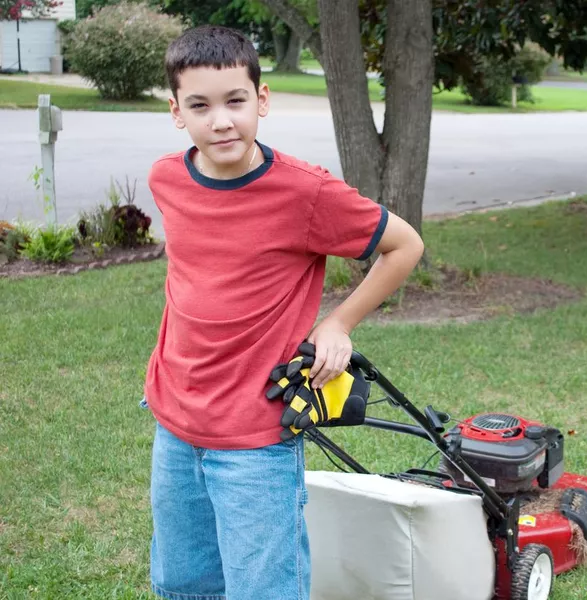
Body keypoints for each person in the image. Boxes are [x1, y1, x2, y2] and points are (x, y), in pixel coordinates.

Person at [140, 25, 424, 600]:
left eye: (235, 101)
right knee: (182, 583)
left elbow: (406, 245)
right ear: (177, 112)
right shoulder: (167, 178)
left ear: (261, 100)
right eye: (200, 105)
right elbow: (196, 281)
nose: (221, 121)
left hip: (255, 439)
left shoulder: (306, 194)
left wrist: (337, 321)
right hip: (174, 425)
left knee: (261, 590)